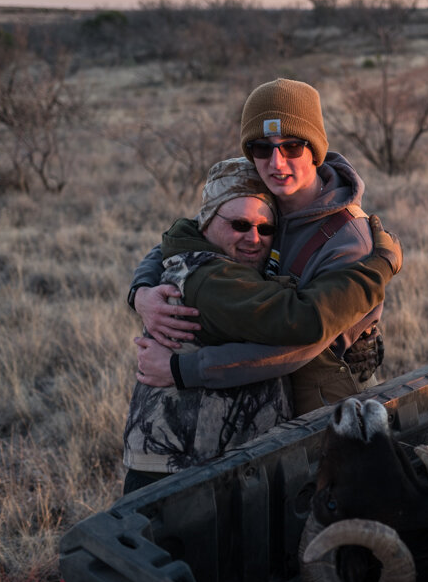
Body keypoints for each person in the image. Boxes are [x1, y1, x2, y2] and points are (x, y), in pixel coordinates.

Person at [122, 157, 400, 494]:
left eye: (266, 228)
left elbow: (168, 241)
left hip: (215, 466)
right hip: (177, 476)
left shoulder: (217, 254)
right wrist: (380, 268)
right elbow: (303, 320)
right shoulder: (214, 281)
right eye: (240, 225)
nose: (254, 238)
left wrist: (139, 290)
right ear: (206, 223)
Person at [130, 78, 386, 414]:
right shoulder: (265, 195)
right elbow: (190, 237)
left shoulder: (350, 238)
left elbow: (299, 343)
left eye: (292, 146)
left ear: (315, 149)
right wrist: (142, 291)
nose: (276, 163)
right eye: (262, 148)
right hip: (261, 404)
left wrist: (183, 369)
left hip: (325, 406)